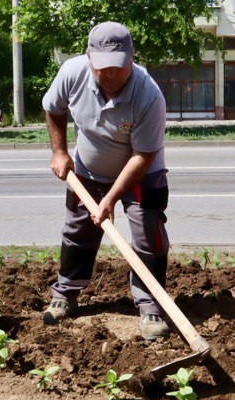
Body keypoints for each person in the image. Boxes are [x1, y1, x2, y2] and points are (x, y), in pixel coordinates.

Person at [41, 22, 172, 341]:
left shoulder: (148, 94)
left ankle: (151, 305)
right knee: (77, 230)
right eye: (103, 68)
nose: (111, 75)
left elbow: (143, 156)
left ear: (132, 58)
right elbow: (52, 108)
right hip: (87, 169)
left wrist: (110, 199)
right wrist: (59, 152)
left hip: (143, 173)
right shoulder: (72, 73)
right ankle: (65, 295)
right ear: (88, 58)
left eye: (119, 67)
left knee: (147, 236)